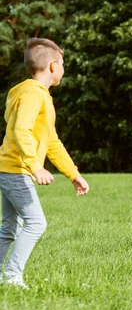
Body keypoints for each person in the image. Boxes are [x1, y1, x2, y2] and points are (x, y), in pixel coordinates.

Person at [0, 38, 90, 289]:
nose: (63, 68)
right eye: (62, 63)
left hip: (10, 169)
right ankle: (12, 278)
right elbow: (21, 129)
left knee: (9, 227)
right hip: (17, 170)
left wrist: (73, 174)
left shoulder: (36, 95)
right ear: (52, 65)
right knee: (36, 223)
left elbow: (51, 141)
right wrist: (35, 166)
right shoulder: (33, 95)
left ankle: (3, 277)